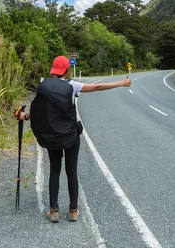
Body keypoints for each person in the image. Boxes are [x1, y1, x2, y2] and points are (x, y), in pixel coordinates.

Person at [19, 56, 131, 223]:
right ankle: (73, 211)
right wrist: (121, 83)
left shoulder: (43, 87)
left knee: (54, 171)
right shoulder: (72, 86)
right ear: (67, 70)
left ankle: (54, 211)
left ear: (52, 70)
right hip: (70, 136)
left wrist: (24, 116)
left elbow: (38, 110)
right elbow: (98, 87)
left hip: (52, 136)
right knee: (71, 171)